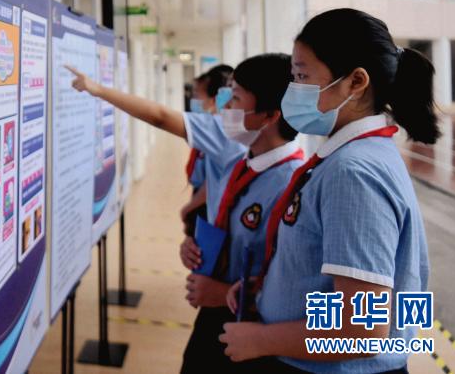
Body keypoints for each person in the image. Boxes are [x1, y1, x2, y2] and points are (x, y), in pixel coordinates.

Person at [219, 9, 437, 373]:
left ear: (356, 82)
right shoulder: (348, 157)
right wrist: (275, 288)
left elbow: (362, 329)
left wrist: (260, 339)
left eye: (302, 76)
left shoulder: (353, 172)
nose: (293, 90)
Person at [68, 54, 304, 372]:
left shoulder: (293, 187)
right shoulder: (243, 159)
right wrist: (197, 246)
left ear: (269, 116)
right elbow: (227, 218)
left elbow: (294, 285)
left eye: (236, 99)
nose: (226, 107)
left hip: (253, 329)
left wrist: (223, 294)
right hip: (213, 310)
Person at [182, 65, 234, 235]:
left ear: (214, 97)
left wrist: (188, 207)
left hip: (207, 203)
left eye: (197, 94)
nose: (194, 99)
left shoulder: (222, 132)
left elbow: (160, 117)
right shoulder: (209, 125)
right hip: (202, 199)